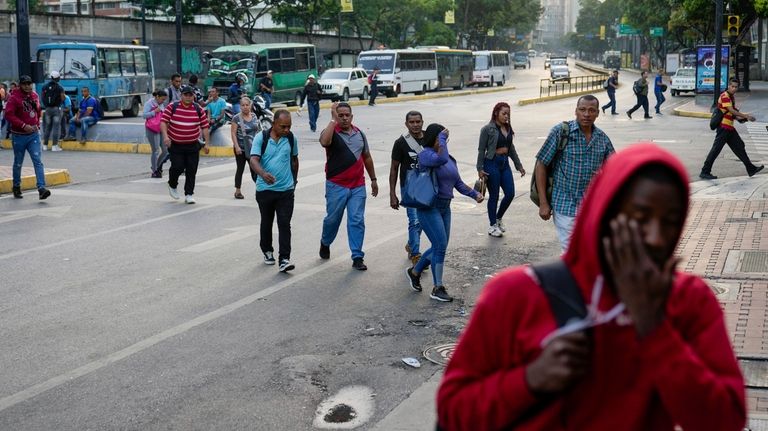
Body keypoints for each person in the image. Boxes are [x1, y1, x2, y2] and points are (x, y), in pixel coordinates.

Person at [436, 143, 746, 431]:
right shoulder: (518, 293)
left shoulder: (688, 300)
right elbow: (453, 410)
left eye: (670, 221)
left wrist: (656, 330)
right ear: (604, 211)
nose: (654, 236)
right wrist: (529, 380)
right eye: (640, 217)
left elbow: (726, 419)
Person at [405, 124, 483, 302]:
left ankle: (415, 272)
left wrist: (474, 194)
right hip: (428, 207)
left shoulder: (450, 159)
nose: (445, 142)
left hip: (445, 207)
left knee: (440, 246)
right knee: (440, 245)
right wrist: (441, 139)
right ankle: (437, 287)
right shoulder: (426, 155)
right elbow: (440, 159)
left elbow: (458, 183)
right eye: (441, 138)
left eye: (446, 140)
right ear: (434, 138)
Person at [534, 95, 614, 251]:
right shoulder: (561, 132)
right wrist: (543, 203)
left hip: (591, 208)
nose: (586, 114)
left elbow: (615, 170)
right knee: (571, 252)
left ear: (597, 113)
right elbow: (541, 164)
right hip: (565, 204)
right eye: (582, 110)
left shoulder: (602, 139)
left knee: (590, 252)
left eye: (591, 110)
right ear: (576, 111)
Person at [318, 102, 378, 270]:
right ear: (336, 116)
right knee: (333, 219)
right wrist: (332, 121)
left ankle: (357, 256)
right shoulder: (331, 132)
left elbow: (367, 157)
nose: (344, 118)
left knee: (357, 220)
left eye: (347, 115)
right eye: (340, 115)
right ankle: (325, 242)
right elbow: (324, 141)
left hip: (357, 185)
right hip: (336, 185)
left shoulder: (359, 134)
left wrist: (373, 179)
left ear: (352, 117)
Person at [249, 109, 299, 273]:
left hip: (286, 190)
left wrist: (294, 180)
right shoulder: (261, 138)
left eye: (289, 126)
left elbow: (294, 159)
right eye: (283, 127)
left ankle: (284, 258)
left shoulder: (291, 138)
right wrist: (263, 174)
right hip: (265, 190)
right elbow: (253, 160)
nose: (287, 130)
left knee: (284, 223)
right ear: (274, 124)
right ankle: (267, 249)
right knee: (267, 220)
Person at [476, 102, 525, 238]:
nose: (506, 116)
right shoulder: (487, 129)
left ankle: (498, 218)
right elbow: (481, 150)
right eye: (504, 113)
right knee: (494, 196)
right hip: (491, 163)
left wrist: (518, 165)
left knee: (510, 193)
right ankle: (492, 226)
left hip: (504, 164)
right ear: (496, 113)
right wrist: (480, 168)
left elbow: (511, 149)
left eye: (508, 114)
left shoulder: (507, 128)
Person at [700, 78, 764, 180]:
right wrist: (746, 116)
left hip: (729, 128)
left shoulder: (731, 97)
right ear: (729, 86)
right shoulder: (725, 96)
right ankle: (705, 171)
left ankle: (750, 168)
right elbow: (731, 111)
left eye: (736, 87)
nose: (734, 88)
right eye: (732, 86)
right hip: (723, 128)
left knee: (739, 146)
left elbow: (732, 114)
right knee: (716, 150)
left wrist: (743, 118)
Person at [161, 85, 210, 204]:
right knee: (177, 166)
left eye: (190, 95)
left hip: (193, 144)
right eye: (185, 95)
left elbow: (204, 127)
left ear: (193, 96)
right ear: (181, 95)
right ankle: (172, 184)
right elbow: (163, 122)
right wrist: (166, 137)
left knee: (191, 170)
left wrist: (207, 144)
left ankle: (189, 194)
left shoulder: (198, 109)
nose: (188, 97)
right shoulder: (173, 107)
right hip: (176, 144)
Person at [4, 75, 51, 199]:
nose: (27, 86)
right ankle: (16, 186)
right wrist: (23, 125)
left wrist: (37, 123)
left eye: (29, 83)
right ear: (20, 85)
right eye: (25, 84)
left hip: (33, 135)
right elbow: (8, 115)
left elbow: (38, 111)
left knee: (38, 161)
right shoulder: (14, 98)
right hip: (19, 135)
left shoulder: (35, 96)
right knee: (18, 162)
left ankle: (41, 188)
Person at [389, 110, 426, 264]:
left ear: (422, 122)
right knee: (415, 220)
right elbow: (394, 168)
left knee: (423, 220)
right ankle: (416, 255)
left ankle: (411, 244)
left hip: (427, 188)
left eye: (418, 121)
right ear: (406, 124)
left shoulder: (430, 138)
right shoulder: (400, 143)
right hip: (409, 188)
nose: (415, 125)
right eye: (412, 122)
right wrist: (392, 194)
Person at [231, 96, 259, 199]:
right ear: (240, 106)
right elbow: (233, 134)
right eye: (243, 105)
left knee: (255, 169)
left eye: (247, 105)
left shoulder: (254, 116)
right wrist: (237, 146)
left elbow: (258, 130)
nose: (245, 107)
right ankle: (237, 191)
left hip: (253, 148)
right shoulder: (236, 118)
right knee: (240, 169)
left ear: (250, 105)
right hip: (241, 149)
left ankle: (260, 189)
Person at [143, 89, 168, 178]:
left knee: (165, 151)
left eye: (164, 100)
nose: (163, 101)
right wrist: (154, 112)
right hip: (152, 129)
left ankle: (157, 165)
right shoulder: (149, 103)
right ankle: (154, 170)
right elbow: (144, 115)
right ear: (157, 97)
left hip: (160, 128)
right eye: (162, 99)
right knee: (156, 150)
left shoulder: (161, 104)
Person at [40, 71, 65, 152]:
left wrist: (46, 105)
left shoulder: (44, 87)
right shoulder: (60, 87)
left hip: (47, 109)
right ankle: (54, 146)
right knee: (56, 128)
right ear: (58, 78)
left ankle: (45, 145)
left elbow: (42, 97)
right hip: (56, 109)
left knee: (47, 128)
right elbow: (63, 98)